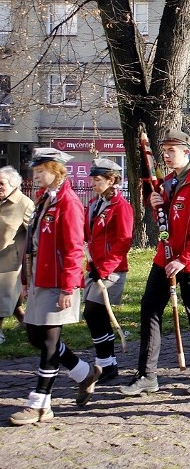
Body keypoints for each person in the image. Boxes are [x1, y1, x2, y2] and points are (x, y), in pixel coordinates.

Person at [121, 129, 190, 397]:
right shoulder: (168, 182)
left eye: (171, 150)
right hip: (164, 258)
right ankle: (147, 375)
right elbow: (165, 218)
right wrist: (153, 201)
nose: (166, 155)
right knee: (149, 310)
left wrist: (184, 260)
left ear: (187, 151)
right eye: (163, 150)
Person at [12, 148, 101, 425]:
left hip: (58, 281)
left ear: (56, 169)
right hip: (41, 277)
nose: (35, 175)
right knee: (36, 337)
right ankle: (84, 371)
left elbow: (75, 248)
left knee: (49, 342)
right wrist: (26, 280)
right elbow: (34, 244)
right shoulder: (44, 199)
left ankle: (40, 404)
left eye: (40, 171)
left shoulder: (68, 202)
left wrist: (67, 288)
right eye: (34, 171)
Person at [82, 159, 133, 382]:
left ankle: (106, 363)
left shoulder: (121, 207)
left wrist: (104, 269)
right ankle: (108, 363)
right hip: (93, 268)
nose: (93, 183)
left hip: (111, 270)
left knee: (93, 312)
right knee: (96, 316)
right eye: (92, 178)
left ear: (111, 180)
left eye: (98, 179)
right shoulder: (94, 204)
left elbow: (123, 241)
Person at [0, 166, 33, 344]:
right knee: (11, 299)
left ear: (13, 185)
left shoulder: (24, 204)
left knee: (2, 297)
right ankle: (25, 322)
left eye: (1, 184)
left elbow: (33, 233)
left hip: (9, 261)